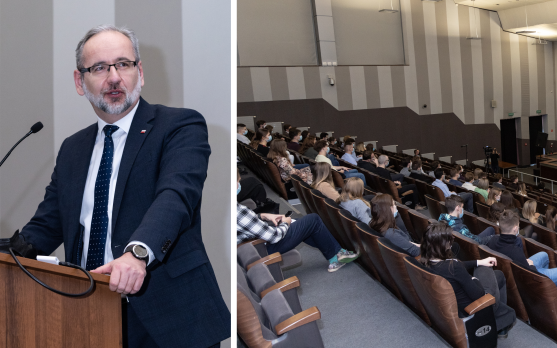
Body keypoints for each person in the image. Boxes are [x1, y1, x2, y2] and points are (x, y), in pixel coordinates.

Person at [16, 25, 229, 347]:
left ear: (139, 72)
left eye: (123, 64)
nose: (113, 77)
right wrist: (13, 251)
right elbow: (48, 224)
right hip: (90, 308)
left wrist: (137, 253)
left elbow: (176, 196)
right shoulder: (73, 148)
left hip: (172, 313)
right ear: (79, 81)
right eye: (99, 68)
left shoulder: (180, 125)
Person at [236, 173, 359, 274]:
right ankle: (336, 254)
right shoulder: (237, 210)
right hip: (262, 248)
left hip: (252, 246)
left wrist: (261, 215)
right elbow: (274, 236)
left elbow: (243, 223)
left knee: (302, 223)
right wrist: (285, 223)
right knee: (313, 219)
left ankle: (335, 254)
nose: (239, 185)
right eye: (238, 182)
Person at [420, 222, 517, 339]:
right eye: (450, 237)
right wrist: (473, 278)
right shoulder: (454, 267)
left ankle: (501, 326)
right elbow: (479, 294)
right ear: (443, 243)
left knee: (498, 275)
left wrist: (478, 261)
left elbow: (456, 266)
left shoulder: (426, 261)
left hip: (456, 303)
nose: (453, 238)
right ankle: (497, 319)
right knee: (485, 269)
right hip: (475, 307)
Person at [487, 211, 557, 298]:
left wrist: (526, 263)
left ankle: (550, 290)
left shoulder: (492, 240)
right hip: (531, 277)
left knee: (544, 255)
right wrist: (531, 266)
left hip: (518, 269)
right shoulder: (515, 251)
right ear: (515, 228)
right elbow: (531, 276)